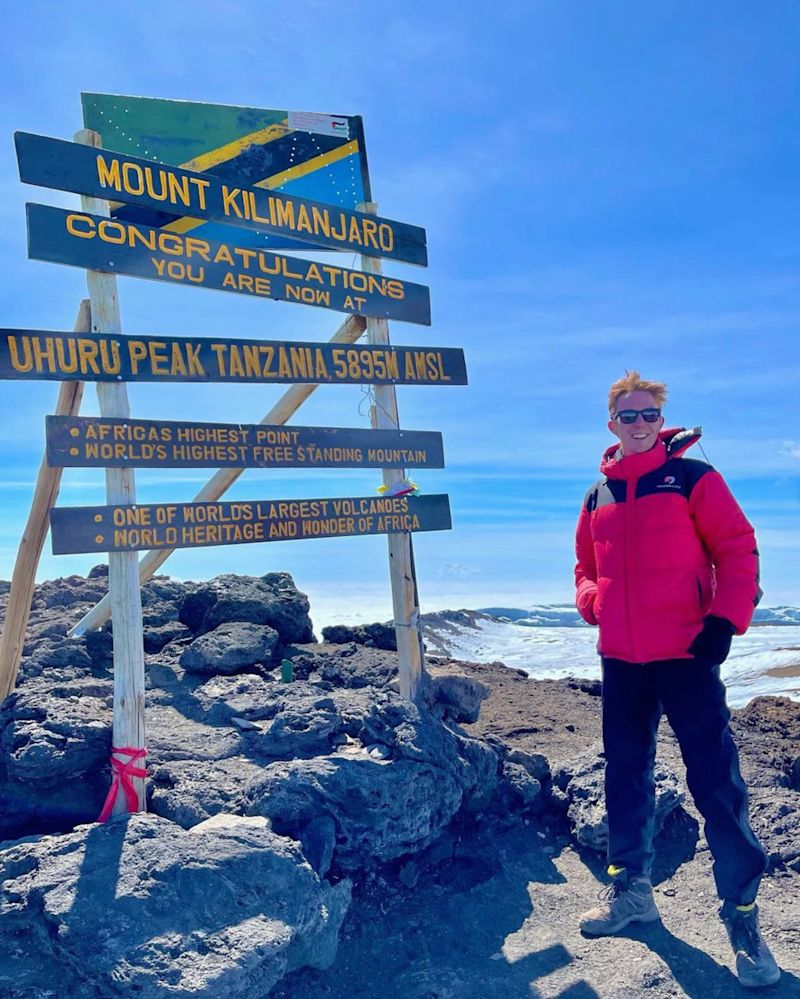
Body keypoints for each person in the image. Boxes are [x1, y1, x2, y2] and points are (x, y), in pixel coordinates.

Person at [573, 371, 780, 989]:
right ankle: (631, 894)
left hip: (688, 655)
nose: (639, 424)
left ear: (661, 422)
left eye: (649, 415)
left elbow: (738, 549)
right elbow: (585, 566)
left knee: (717, 785)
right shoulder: (597, 495)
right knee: (625, 776)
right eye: (627, 415)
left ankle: (743, 918)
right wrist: (593, 605)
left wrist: (725, 621)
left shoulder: (693, 478)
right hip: (623, 659)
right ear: (611, 422)